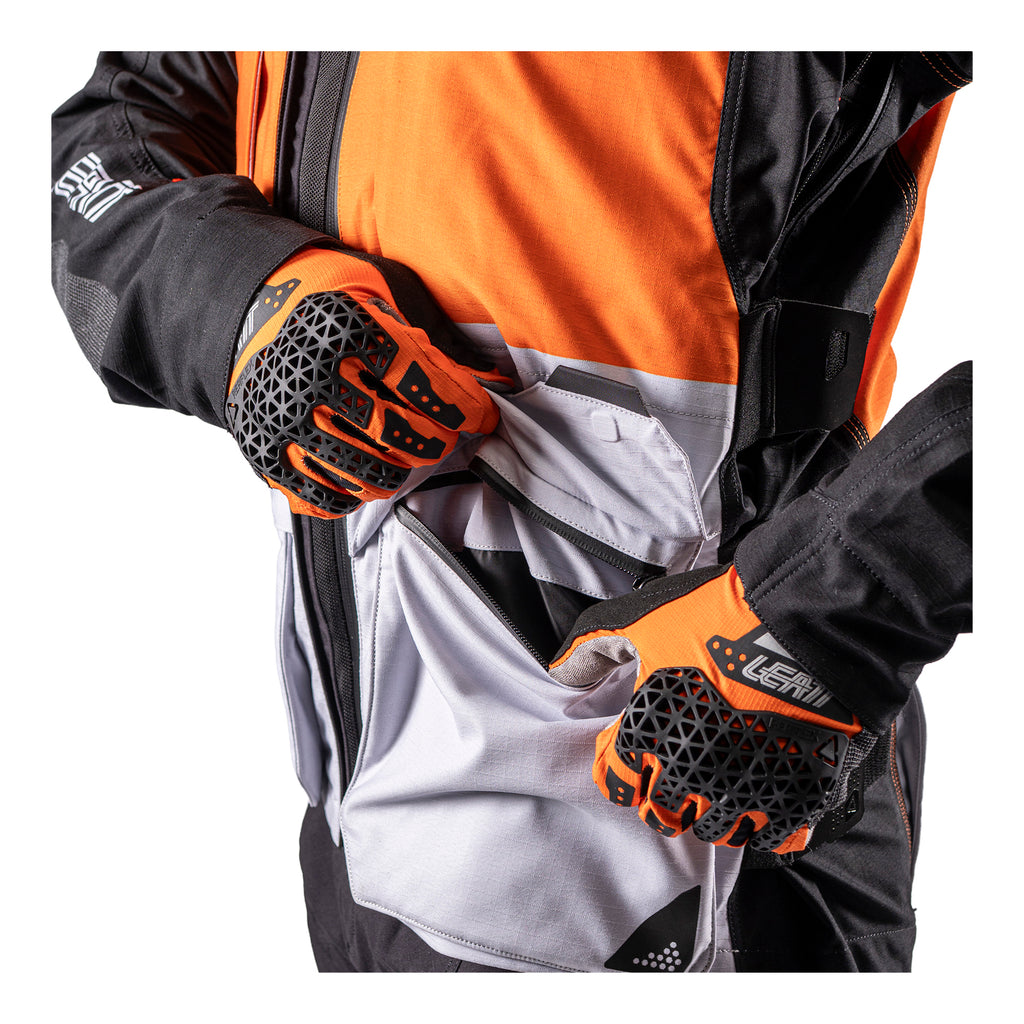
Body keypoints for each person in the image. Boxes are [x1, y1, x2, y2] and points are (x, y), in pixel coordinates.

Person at [50, 51, 972, 973]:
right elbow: (116, 131)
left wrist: (841, 613)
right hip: (368, 833)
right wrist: (240, 301)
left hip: (692, 819)